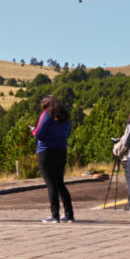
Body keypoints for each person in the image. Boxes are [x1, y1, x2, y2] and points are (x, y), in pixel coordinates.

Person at [32, 95, 74, 223]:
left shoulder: (46, 115)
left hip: (46, 151)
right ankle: (69, 214)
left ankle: (54, 215)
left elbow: (39, 134)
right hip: (61, 151)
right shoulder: (66, 116)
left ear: (45, 105)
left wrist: (33, 130)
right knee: (60, 183)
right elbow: (67, 134)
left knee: (51, 184)